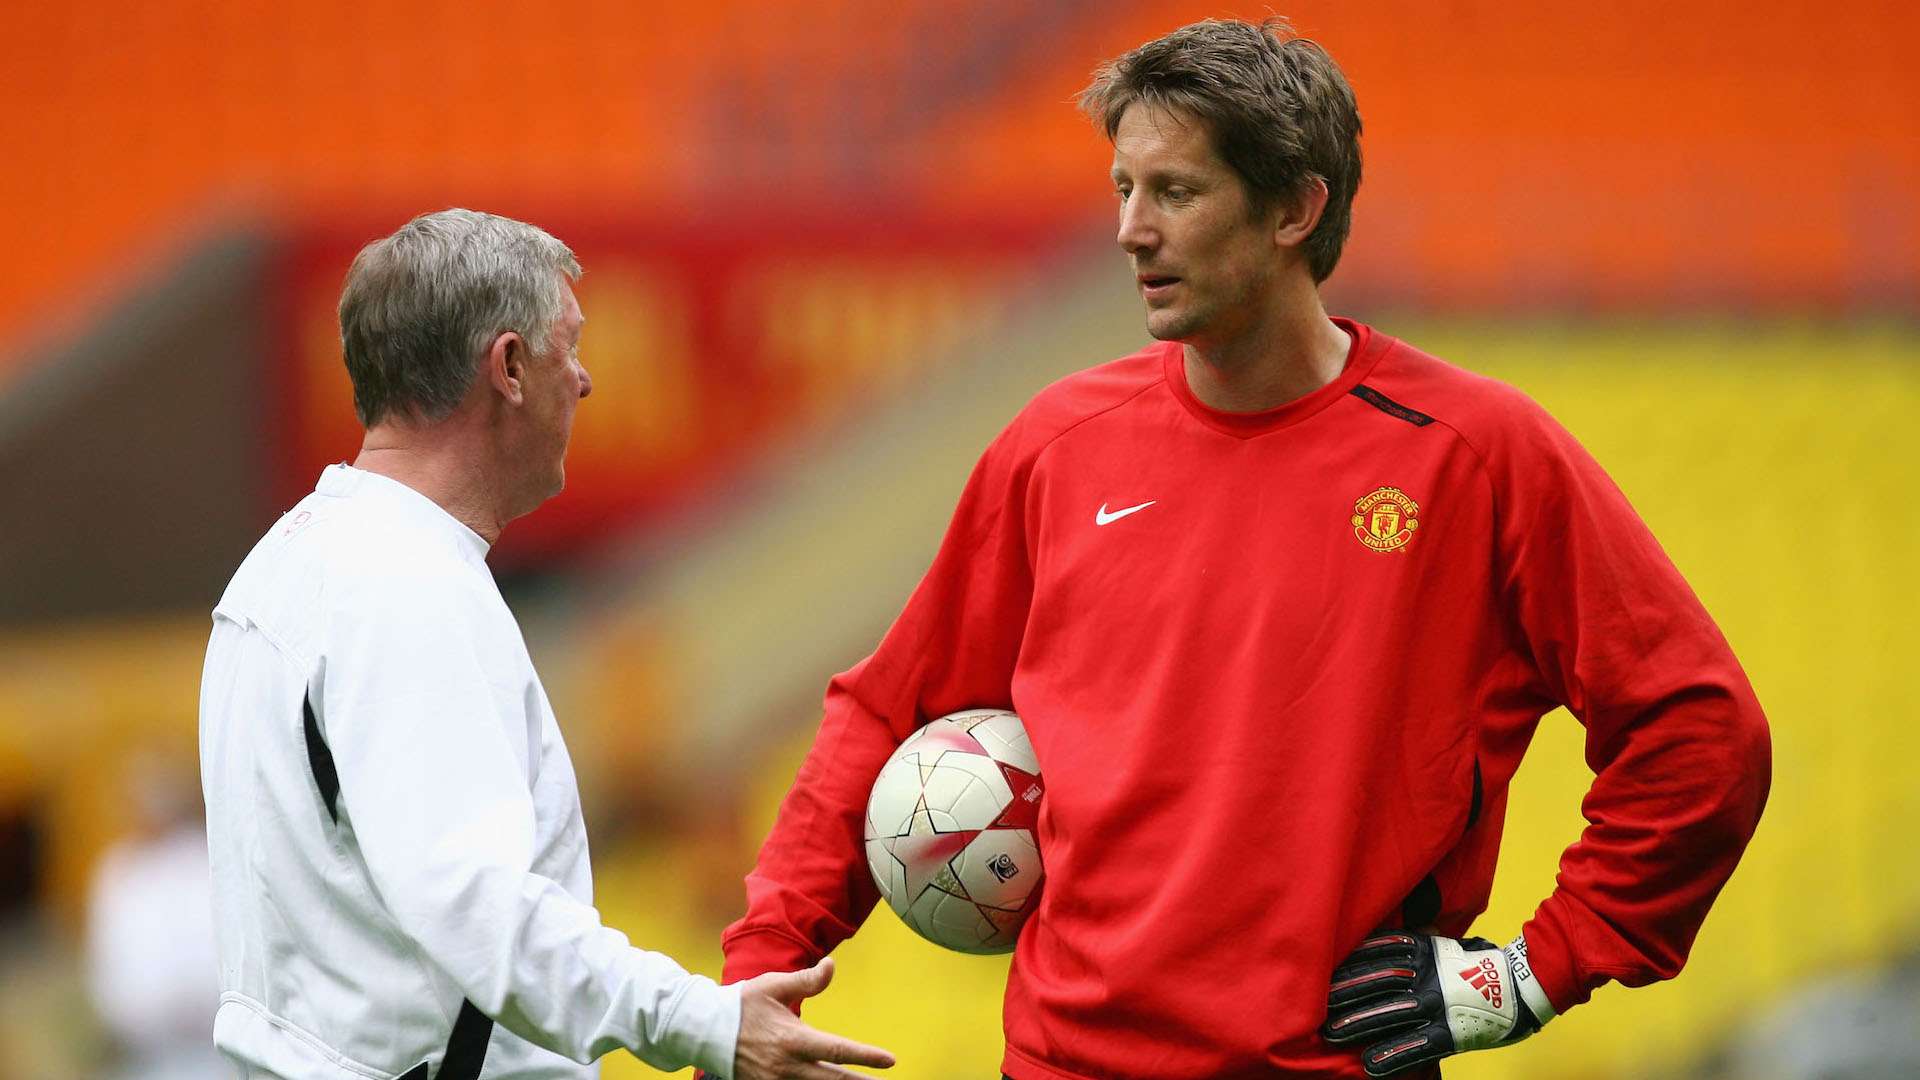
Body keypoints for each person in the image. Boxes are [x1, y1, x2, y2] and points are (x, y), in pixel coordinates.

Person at [716, 19, 1770, 1080]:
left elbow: (1699, 734)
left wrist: (1535, 971)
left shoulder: (1477, 456)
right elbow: (888, 714)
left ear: (1294, 209)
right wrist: (766, 961)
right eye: (1123, 188)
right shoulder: (1056, 447)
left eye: (1174, 193)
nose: (1131, 229)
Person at [199, 209, 894, 1080]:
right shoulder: (404, 586)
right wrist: (704, 1024)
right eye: (570, 343)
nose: (588, 378)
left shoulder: (284, 570)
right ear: (511, 367)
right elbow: (477, 907)